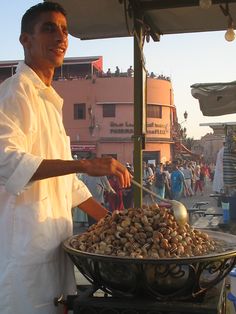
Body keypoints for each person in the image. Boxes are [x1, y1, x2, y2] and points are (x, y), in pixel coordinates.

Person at [0, 3, 131, 314]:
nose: (60, 37)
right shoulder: (15, 93)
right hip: (24, 255)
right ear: (25, 40)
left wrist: (115, 223)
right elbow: (7, 162)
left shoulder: (49, 100)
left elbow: (68, 185)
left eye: (64, 30)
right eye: (49, 28)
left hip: (56, 248)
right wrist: (84, 164)